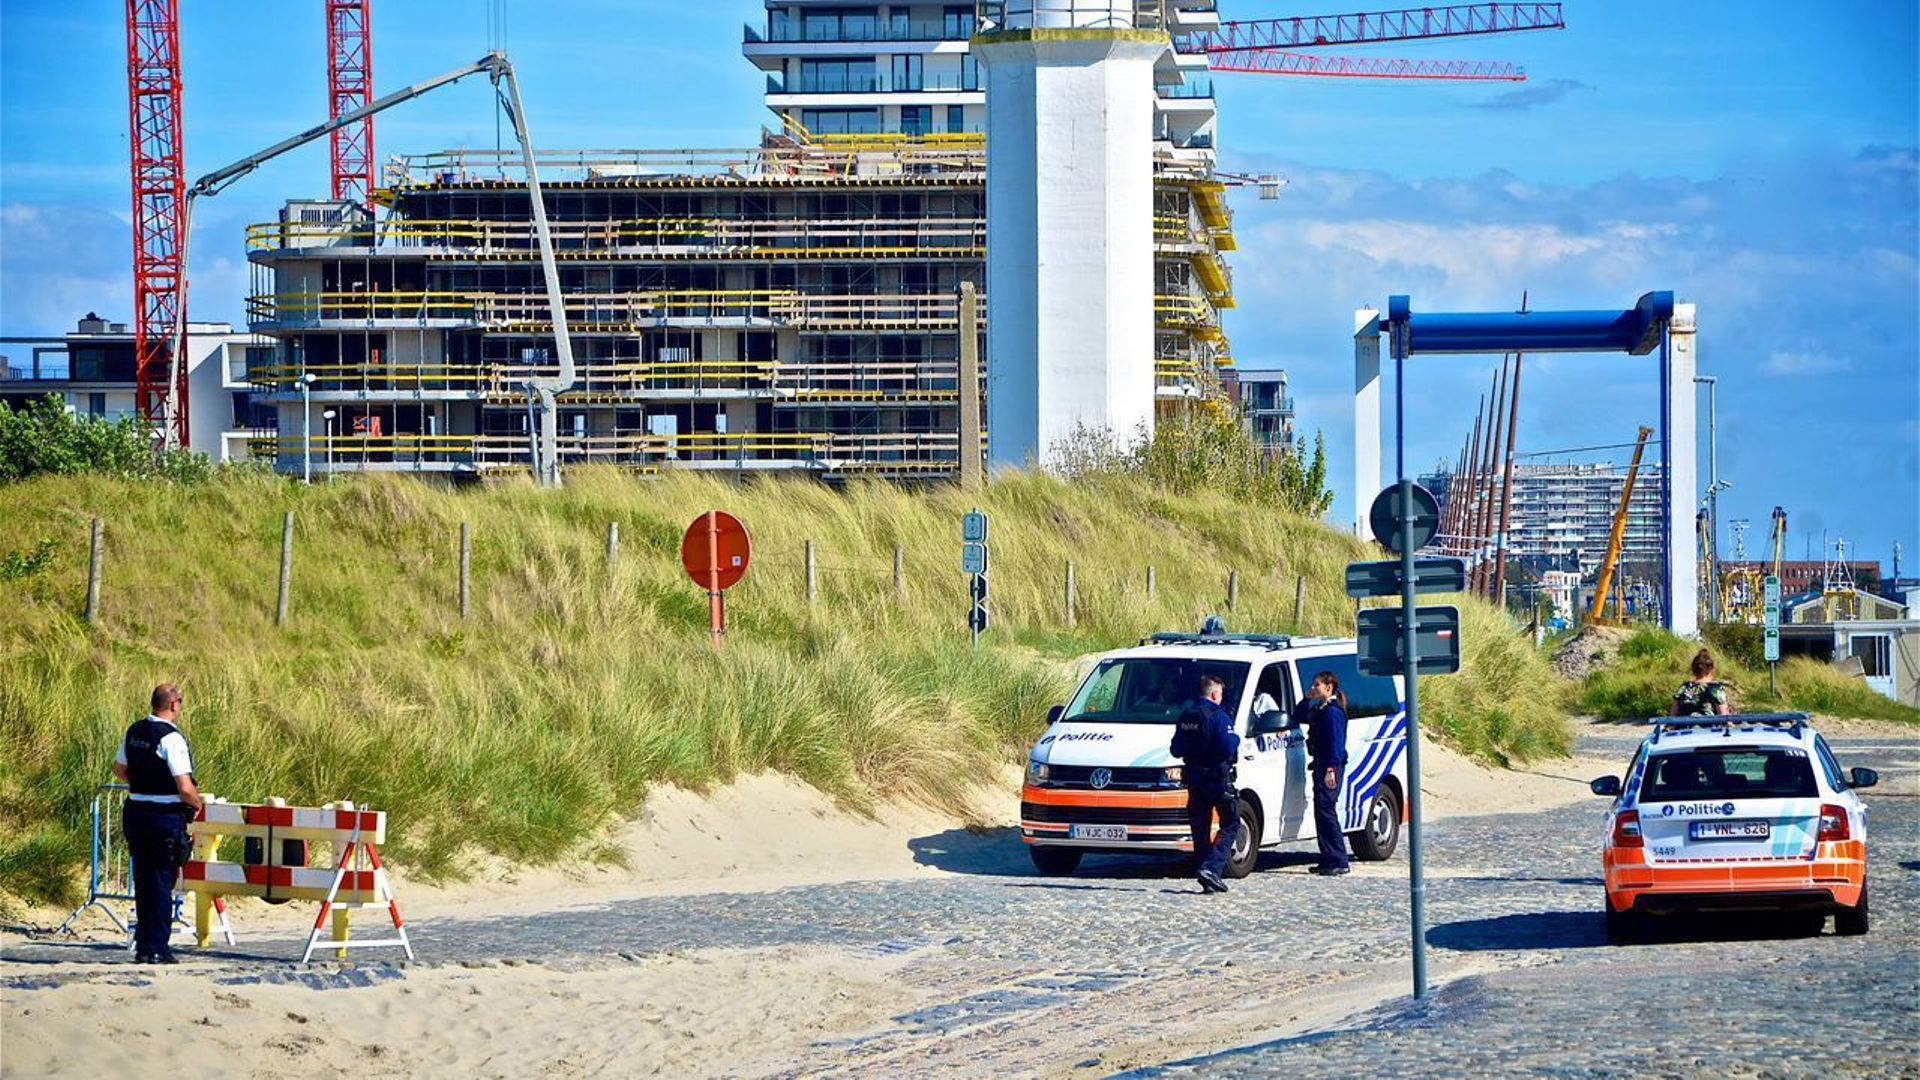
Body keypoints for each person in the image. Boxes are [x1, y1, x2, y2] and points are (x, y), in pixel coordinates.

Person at [111, 683, 203, 964]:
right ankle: (157, 949)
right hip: (163, 817)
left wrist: (141, 784)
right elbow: (185, 786)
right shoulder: (171, 738)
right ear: (173, 704)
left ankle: (143, 947)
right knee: (162, 881)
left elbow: (118, 768)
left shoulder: (135, 730)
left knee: (144, 879)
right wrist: (197, 804)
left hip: (136, 810)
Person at [1170, 674, 1241, 894]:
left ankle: (1204, 872)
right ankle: (1211, 868)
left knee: (1200, 828)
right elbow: (1227, 747)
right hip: (1215, 778)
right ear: (1214, 693)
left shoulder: (1186, 716)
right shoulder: (1218, 716)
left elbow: (1176, 750)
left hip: (1193, 777)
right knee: (1231, 823)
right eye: (1220, 692)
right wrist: (1236, 738)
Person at [1288, 671, 1350, 877]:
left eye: (1317, 685)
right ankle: (1327, 857)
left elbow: (1336, 743)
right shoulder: (1322, 709)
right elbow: (1298, 716)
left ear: (1328, 688)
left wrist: (1331, 769)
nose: (1313, 688)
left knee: (1326, 811)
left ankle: (1339, 859)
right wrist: (1306, 698)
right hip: (1322, 764)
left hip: (1329, 766)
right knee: (1321, 812)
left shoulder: (1332, 712)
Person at [1670, 649, 1732, 717]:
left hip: (1685, 726)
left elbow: (1672, 714)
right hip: (1707, 726)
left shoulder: (1684, 687)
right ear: (1711, 670)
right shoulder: (1715, 689)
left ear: (1693, 670)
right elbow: (1723, 716)